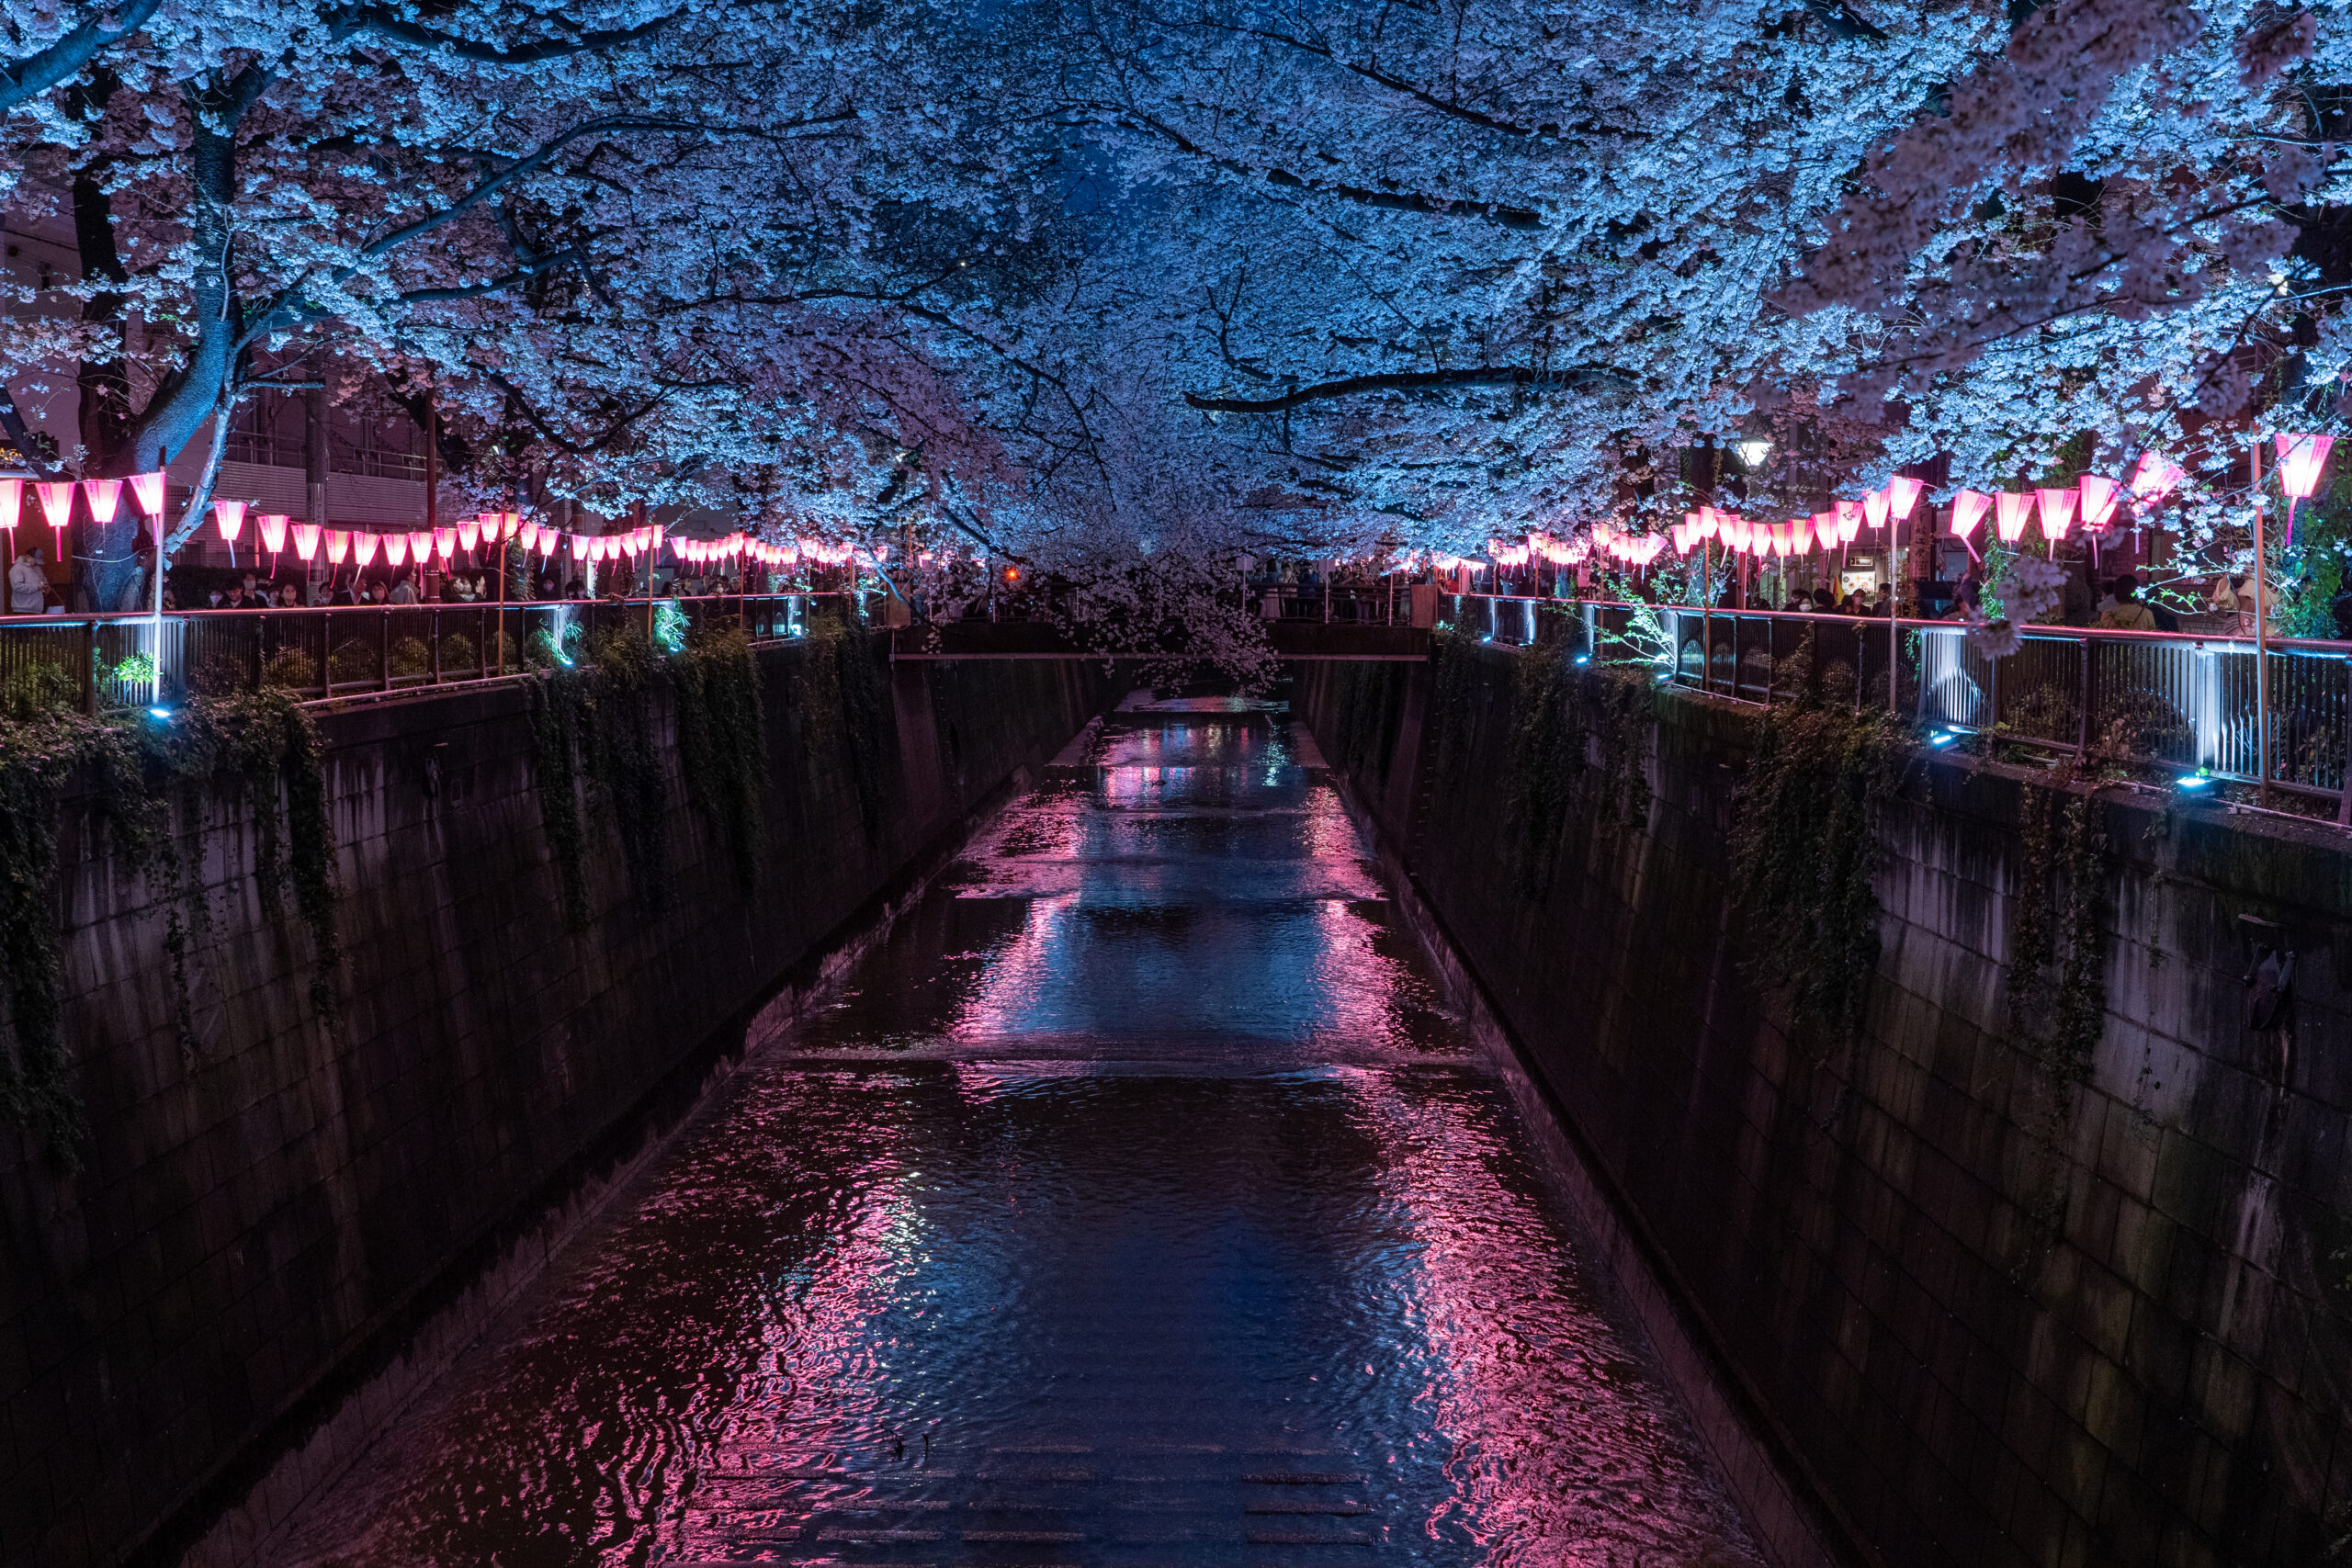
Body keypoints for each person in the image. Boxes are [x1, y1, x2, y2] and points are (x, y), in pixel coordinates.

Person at [8, 547, 49, 614]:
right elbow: (17, 586)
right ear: (28, 557)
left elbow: (43, 580)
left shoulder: (37, 569)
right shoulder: (17, 569)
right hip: (23, 610)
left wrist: (46, 587)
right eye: (35, 561)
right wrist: (36, 587)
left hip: (37, 609)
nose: (37, 563)